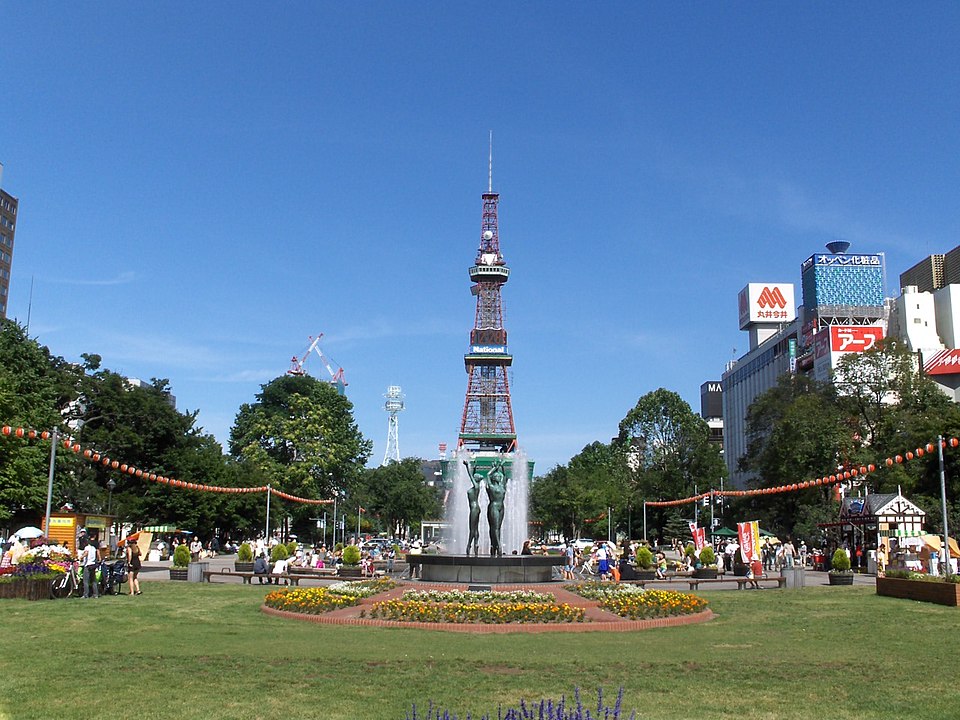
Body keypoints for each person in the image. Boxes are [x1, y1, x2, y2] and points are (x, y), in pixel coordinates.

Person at [462, 460, 485, 557]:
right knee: (475, 529)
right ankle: (476, 544)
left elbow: (470, 475)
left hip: (474, 509)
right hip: (476, 508)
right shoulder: (476, 486)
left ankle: (469, 545)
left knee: (472, 529)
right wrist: (474, 468)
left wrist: (467, 466)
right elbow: (473, 475)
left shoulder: (476, 486)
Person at [485, 460, 508, 557]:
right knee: (495, 527)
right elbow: (487, 475)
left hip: (501, 507)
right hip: (493, 506)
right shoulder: (491, 486)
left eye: (499, 476)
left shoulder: (502, 486)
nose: (499, 477)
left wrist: (501, 467)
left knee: (498, 527)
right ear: (494, 478)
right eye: (497, 476)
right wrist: (494, 468)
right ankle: (498, 546)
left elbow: (505, 476)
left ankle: (493, 546)